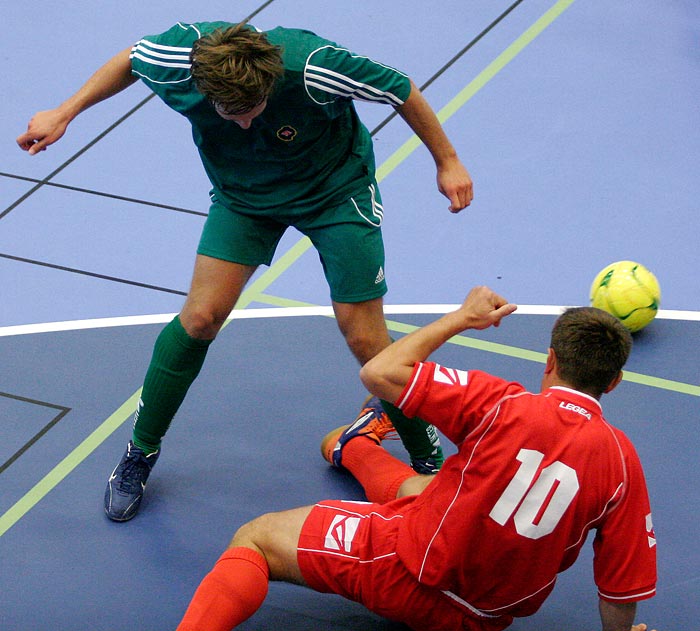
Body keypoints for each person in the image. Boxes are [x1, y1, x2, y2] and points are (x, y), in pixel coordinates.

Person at [17, 21, 474, 521]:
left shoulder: (316, 67)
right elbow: (130, 57)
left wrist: (447, 160)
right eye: (228, 113)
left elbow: (399, 87)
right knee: (199, 320)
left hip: (334, 194)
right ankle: (140, 451)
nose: (240, 124)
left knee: (366, 340)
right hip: (244, 198)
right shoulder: (177, 59)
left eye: (251, 111)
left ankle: (425, 455)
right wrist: (66, 111)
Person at [175, 286, 657, 631]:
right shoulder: (622, 462)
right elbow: (621, 591)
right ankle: (356, 445)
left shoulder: (503, 405)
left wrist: (462, 317)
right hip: (486, 618)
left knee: (256, 538)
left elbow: (380, 371)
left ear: (549, 360)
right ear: (613, 382)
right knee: (426, 492)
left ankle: (356, 446)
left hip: (404, 573)